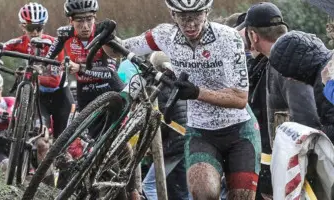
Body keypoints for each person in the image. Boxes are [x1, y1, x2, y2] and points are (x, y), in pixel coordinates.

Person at [106, 0, 262, 199]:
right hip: (201, 131)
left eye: (196, 15)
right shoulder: (164, 35)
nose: (190, 24)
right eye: (183, 16)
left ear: (207, 11)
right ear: (172, 14)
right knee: (204, 194)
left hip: (239, 130)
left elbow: (240, 98)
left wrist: (197, 92)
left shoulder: (228, 37)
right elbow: (118, 49)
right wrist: (105, 37)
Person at [237, 2, 322, 198]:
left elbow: (306, 123)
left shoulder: (285, 66)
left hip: (297, 173)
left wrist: (292, 176)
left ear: (253, 35)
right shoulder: (276, 60)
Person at [0, 3, 74, 163]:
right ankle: (36, 176)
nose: (34, 32)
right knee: (42, 141)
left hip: (60, 97)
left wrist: (30, 76)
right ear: (23, 27)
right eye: (30, 28)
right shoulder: (21, 42)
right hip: (40, 98)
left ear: (44, 26)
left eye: (39, 28)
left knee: (61, 147)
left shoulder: (55, 44)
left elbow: (54, 81)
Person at [45, 0, 124, 112]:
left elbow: (109, 72)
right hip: (84, 90)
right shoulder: (65, 34)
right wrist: (40, 67)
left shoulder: (104, 32)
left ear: (95, 18)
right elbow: (46, 59)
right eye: (80, 21)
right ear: (71, 21)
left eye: (89, 19)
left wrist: (79, 68)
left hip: (109, 87)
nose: (85, 26)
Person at [269, 30, 334, 142]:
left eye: (285, 73)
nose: (289, 78)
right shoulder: (329, 61)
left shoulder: (324, 80)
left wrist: (309, 139)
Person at [141, 51, 190, 200]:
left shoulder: (159, 89)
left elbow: (160, 122)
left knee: (149, 185)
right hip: (186, 141)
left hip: (174, 144)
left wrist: (149, 146)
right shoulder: (177, 84)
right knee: (184, 189)